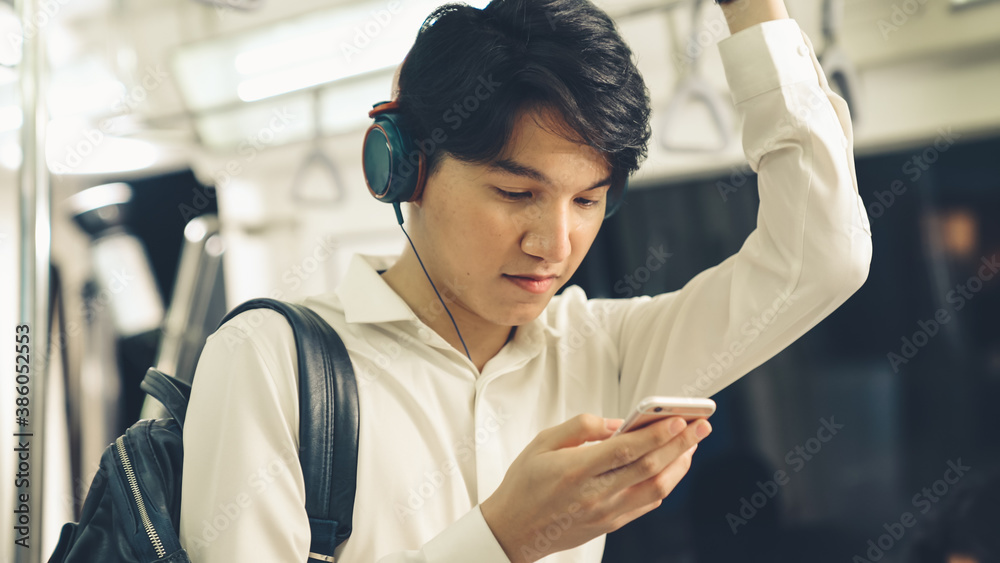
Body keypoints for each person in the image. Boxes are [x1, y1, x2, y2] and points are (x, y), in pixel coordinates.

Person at [178, 0, 873, 561]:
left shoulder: (603, 348)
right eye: (516, 193)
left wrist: (750, 8)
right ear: (404, 168)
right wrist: (504, 538)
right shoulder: (271, 360)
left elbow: (821, 255)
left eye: (588, 199)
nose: (554, 244)